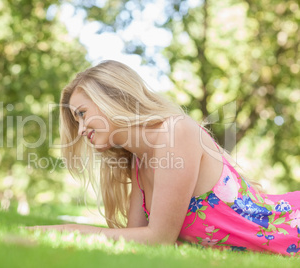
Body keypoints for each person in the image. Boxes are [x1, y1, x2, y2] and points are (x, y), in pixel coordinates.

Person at [31, 60, 300, 256]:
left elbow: (159, 238)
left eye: (82, 113)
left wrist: (67, 230)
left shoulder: (175, 132)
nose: (80, 130)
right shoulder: (138, 163)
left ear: (111, 98)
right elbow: (137, 241)